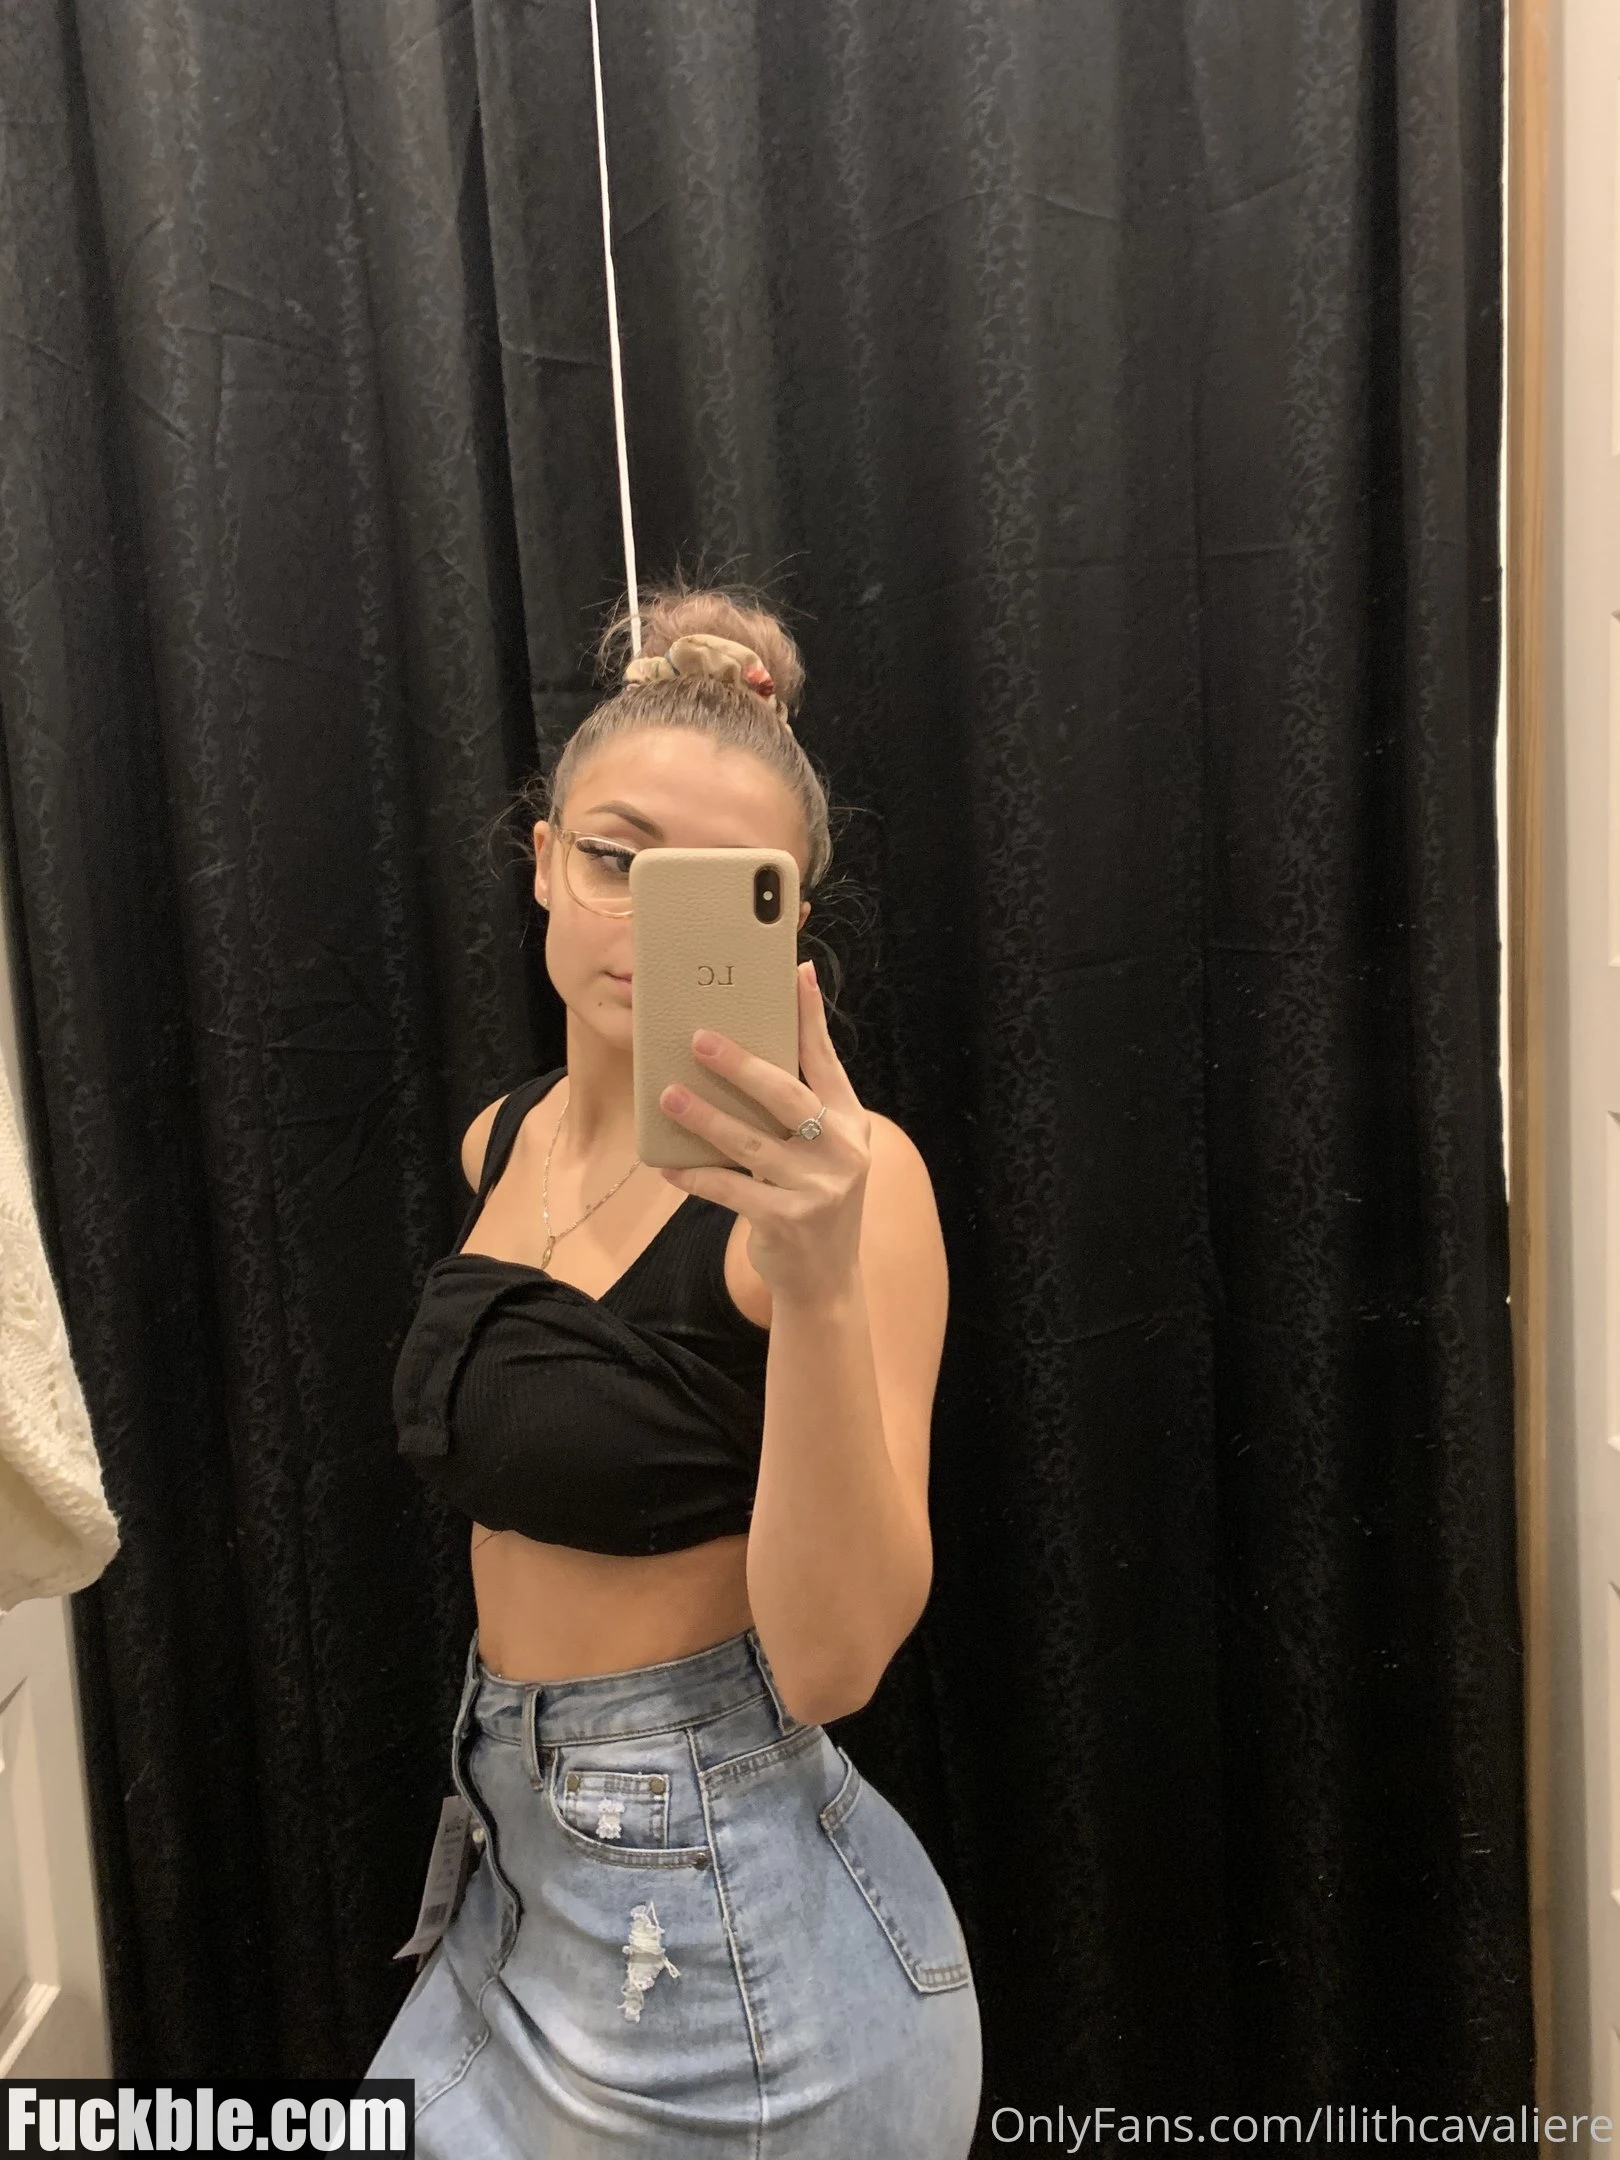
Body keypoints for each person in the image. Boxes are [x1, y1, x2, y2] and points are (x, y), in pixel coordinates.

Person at [367, 585, 983, 2156]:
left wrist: (820, 1274)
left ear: (787, 923)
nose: (649, 918)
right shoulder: (502, 1140)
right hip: (513, 1879)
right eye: (614, 857)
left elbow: (834, 1665)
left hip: (732, 1956)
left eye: (721, 887)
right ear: (542, 863)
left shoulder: (853, 1188)